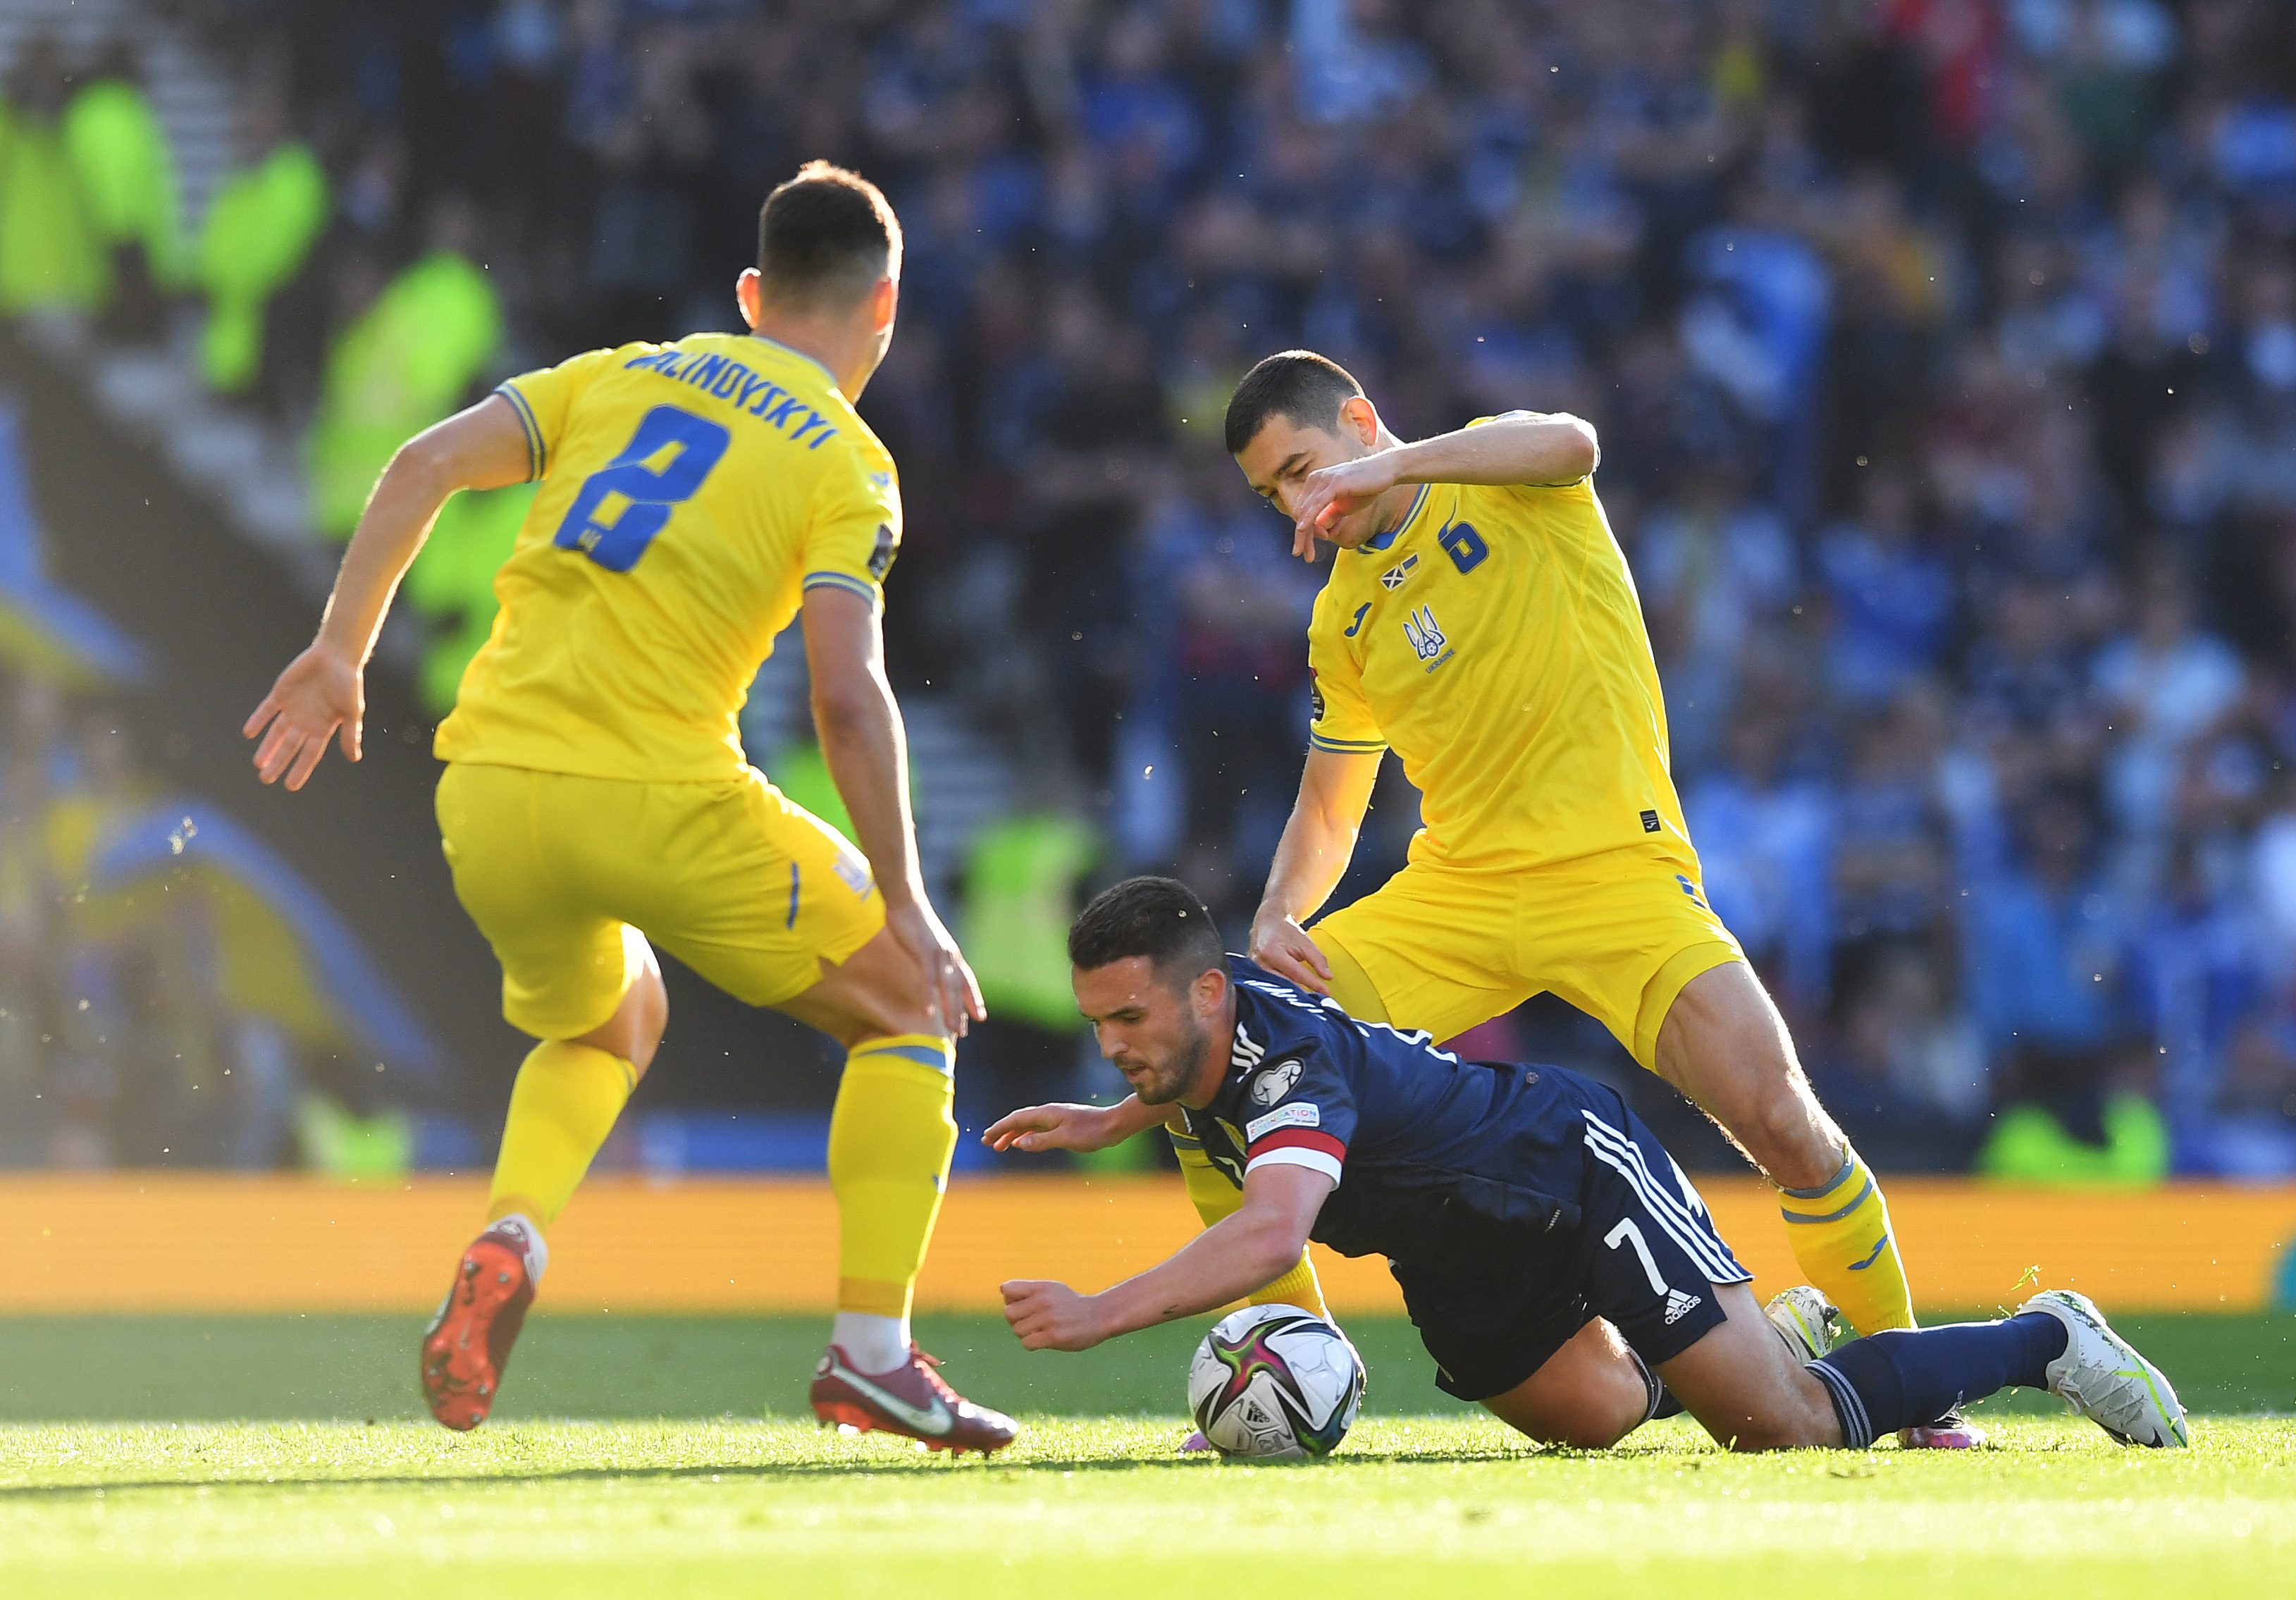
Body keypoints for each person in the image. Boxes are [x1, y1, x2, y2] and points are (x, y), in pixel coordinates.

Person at [1060, 350, 1975, 1445]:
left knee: (1785, 1121)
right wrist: (1275, 916)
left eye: (1305, 470)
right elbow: (1327, 807)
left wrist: (1400, 464)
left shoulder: (1501, 472)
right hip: (1462, 893)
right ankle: (1289, 1365)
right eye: (1274, 496)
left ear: (1362, 420)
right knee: (1227, 1030)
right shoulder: (1343, 619)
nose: (1303, 507)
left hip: (1613, 874)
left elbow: (1576, 441)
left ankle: (1920, 1395)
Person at [242, 161, 1016, 1453]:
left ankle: (514, 1229)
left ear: (752, 293)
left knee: (615, 1018)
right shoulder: (851, 463)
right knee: (906, 1005)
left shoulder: (619, 372)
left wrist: (340, 652)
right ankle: (872, 1356)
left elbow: (426, 461)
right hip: (656, 792)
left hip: (486, 787)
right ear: (885, 308)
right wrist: (909, 900)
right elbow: (848, 695)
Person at [987, 878, 2190, 1454]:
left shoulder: (1282, 1053)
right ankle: (1766, 1333)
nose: (1112, 1045)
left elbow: (1269, 1238)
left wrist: (1103, 1314)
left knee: (1778, 1427)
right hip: (1459, 1253)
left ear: (1204, 991)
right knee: (1598, 1417)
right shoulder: (1198, 1036)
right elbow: (1195, 1080)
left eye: (1128, 1021)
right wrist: (1109, 1116)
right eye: (1099, 1025)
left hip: (1562, 1167)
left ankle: (2047, 1337)